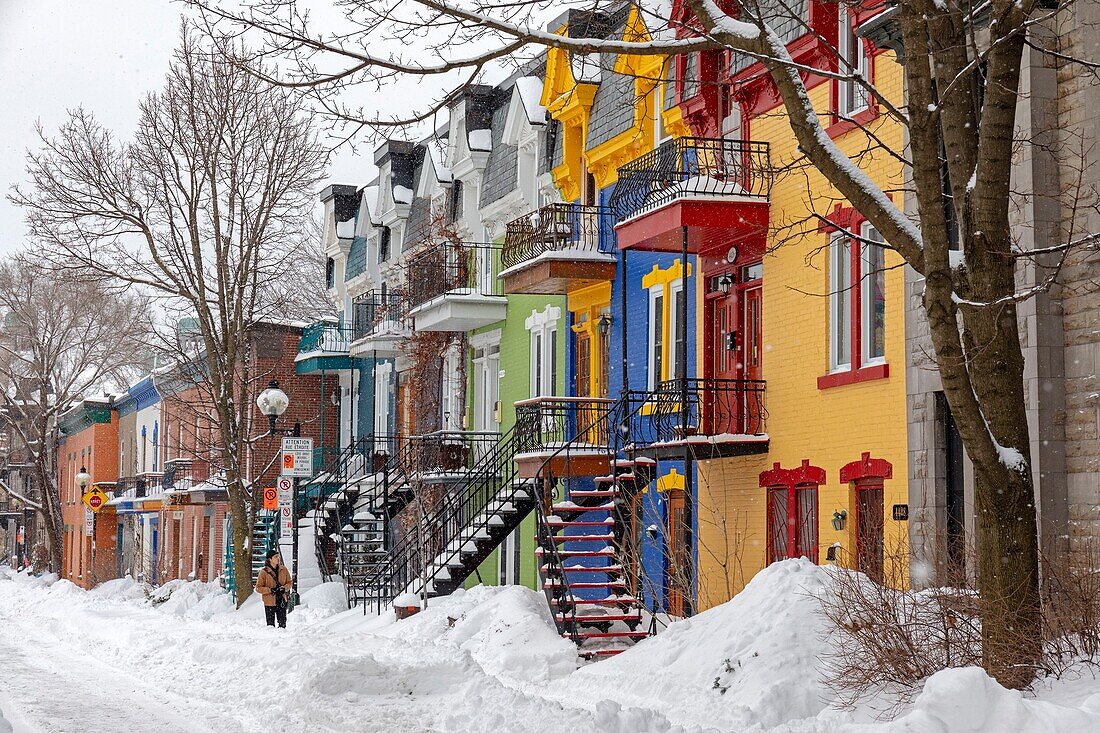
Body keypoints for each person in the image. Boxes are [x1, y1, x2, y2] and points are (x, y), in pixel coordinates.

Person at [256, 549, 293, 628]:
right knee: (270, 626)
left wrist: (284, 588)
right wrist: (270, 590)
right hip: (269, 602)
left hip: (281, 600)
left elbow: (289, 582)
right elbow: (258, 588)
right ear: (270, 559)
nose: (278, 558)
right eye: (276, 557)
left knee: (282, 625)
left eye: (278, 556)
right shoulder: (264, 572)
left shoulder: (284, 569)